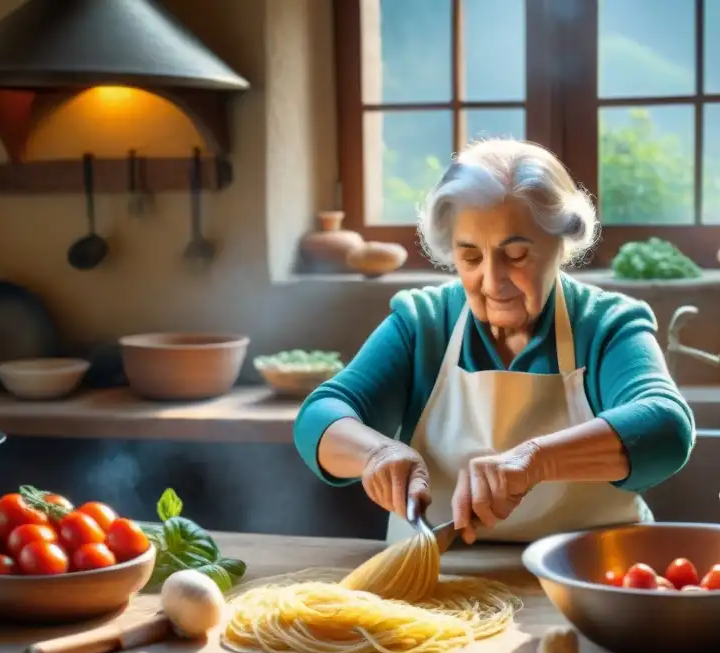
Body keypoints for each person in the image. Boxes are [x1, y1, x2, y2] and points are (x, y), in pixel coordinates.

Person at [294, 139, 695, 545]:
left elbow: (666, 426)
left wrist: (534, 461)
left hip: (588, 576)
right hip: (436, 577)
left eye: (516, 255)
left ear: (561, 245)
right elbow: (319, 416)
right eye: (470, 258)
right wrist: (376, 454)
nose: (492, 280)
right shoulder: (422, 322)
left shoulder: (606, 324)